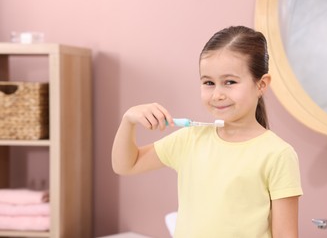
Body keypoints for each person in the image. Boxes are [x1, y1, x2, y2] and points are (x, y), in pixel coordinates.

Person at [112, 25, 303, 238]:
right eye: (209, 83)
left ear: (261, 84)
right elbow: (126, 165)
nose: (217, 94)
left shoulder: (278, 154)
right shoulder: (189, 139)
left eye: (230, 82)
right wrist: (128, 120)